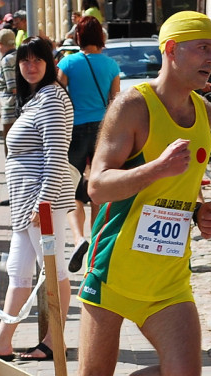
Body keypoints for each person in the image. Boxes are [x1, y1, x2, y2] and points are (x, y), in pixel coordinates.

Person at [10, 11, 211, 376]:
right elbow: (97, 185)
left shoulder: (207, 112)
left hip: (168, 275)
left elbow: (184, 185)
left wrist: (200, 211)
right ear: (170, 50)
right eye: (200, 48)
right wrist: (156, 168)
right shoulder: (134, 106)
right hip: (115, 268)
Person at [0, 36, 74, 362]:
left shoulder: (51, 97)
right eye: (25, 60)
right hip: (28, 203)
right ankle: (2, 342)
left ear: (49, 63)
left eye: (38, 60)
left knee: (54, 270)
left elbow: (55, 153)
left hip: (42, 203)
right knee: (19, 270)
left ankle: (55, 342)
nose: (31, 66)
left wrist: (44, 201)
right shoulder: (37, 98)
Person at [57, 16, 120, 273]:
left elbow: (57, 93)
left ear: (78, 37)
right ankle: (96, 246)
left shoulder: (68, 62)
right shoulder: (111, 65)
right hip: (102, 130)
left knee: (71, 188)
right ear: (101, 37)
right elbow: (115, 100)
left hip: (74, 129)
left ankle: (77, 238)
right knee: (99, 187)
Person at [0, 28, 17, 141]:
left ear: (0, 44)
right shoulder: (18, 55)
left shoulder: (7, 60)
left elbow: (13, 87)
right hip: (18, 107)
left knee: (9, 145)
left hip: (9, 108)